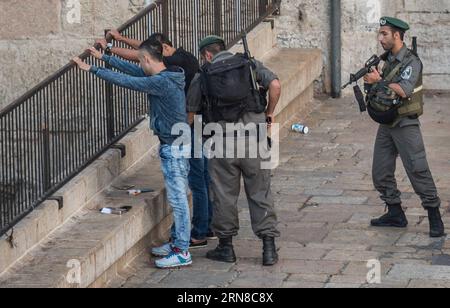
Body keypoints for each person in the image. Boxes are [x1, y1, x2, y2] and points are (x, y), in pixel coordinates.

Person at [73, 39, 193, 268]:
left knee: (178, 201)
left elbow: (129, 80)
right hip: (177, 143)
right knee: (179, 198)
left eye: (140, 59)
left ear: (147, 59)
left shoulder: (162, 83)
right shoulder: (168, 75)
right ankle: (178, 243)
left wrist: (93, 68)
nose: (139, 64)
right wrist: (105, 58)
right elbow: (136, 71)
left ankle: (182, 252)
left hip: (174, 147)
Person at [97, 31, 215, 248]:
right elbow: (140, 59)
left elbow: (135, 69)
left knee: (191, 187)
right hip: (192, 129)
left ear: (163, 51)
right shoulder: (178, 63)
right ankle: (198, 231)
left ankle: (191, 238)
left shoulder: (168, 71)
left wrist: (106, 53)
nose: (144, 61)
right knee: (196, 183)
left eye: (148, 56)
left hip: (186, 131)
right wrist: (112, 50)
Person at [187, 36, 282, 266]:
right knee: (261, 193)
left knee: (223, 196)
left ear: (207, 55)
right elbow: (275, 85)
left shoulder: (203, 75)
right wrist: (268, 114)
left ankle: (226, 248)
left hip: (221, 144)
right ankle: (268, 249)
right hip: (254, 140)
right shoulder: (249, 64)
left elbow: (190, 114)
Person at [364, 17, 445, 238]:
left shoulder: (411, 62)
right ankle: (395, 212)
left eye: (384, 34)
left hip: (406, 123)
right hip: (387, 124)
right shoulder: (388, 59)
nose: (380, 38)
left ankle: (434, 215)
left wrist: (377, 81)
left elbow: (403, 90)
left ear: (397, 36)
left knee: (418, 169)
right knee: (380, 172)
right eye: (380, 34)